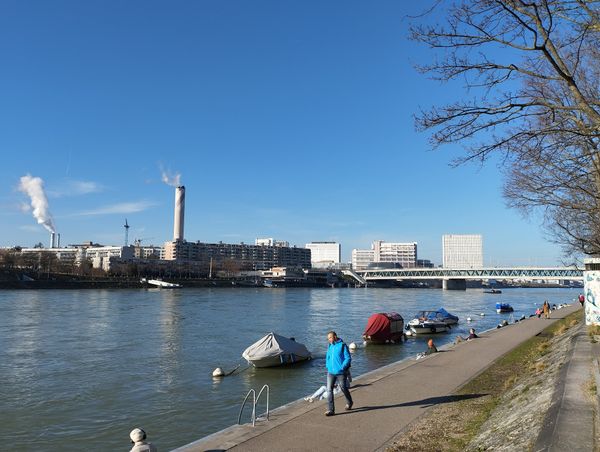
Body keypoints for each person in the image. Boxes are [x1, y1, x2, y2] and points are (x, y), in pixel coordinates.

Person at [324, 330, 353, 416]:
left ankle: (350, 402)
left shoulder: (342, 345)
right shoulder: (330, 346)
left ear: (335, 337)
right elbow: (328, 357)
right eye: (328, 338)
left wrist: (342, 367)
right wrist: (327, 366)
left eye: (330, 337)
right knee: (329, 390)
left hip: (341, 372)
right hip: (330, 372)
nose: (328, 339)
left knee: (343, 387)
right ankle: (331, 410)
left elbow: (348, 358)